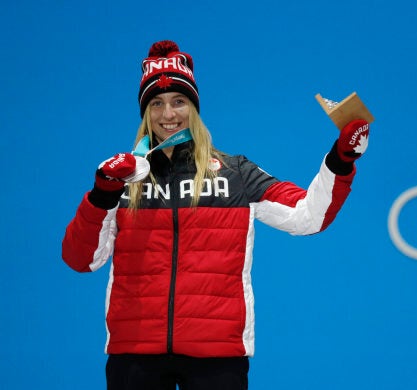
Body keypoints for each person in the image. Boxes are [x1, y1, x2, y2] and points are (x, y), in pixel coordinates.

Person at [61, 40, 370, 389]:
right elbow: (81, 259)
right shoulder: (122, 178)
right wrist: (102, 192)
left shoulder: (235, 173)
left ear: (194, 108)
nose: (168, 115)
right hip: (135, 355)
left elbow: (308, 216)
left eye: (179, 102)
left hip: (217, 357)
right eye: (157, 104)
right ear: (145, 113)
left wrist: (341, 160)